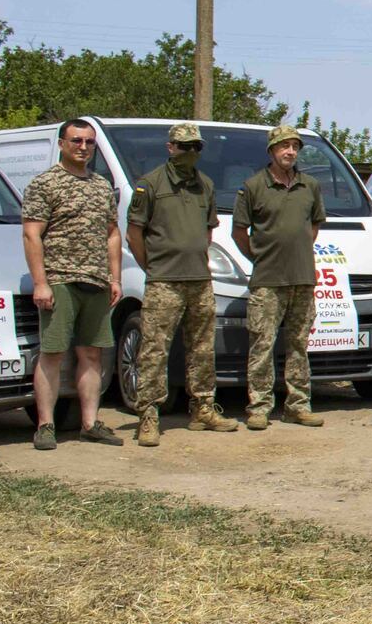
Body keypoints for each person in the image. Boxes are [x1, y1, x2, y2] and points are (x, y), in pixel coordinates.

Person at [126, 121, 239, 446]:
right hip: (164, 281)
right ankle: (148, 415)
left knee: (203, 348)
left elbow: (207, 231)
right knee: (154, 350)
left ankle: (202, 408)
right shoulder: (151, 185)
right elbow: (135, 233)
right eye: (183, 145)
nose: (190, 152)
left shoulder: (205, 185)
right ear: (170, 147)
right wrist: (153, 267)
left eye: (196, 147)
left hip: (199, 280)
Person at [21, 118, 124, 449]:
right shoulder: (44, 184)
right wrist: (41, 282)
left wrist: (115, 277)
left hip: (96, 280)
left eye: (89, 142)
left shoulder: (101, 186)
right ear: (62, 143)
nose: (83, 147)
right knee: (52, 353)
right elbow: (31, 234)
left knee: (92, 354)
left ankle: (90, 423)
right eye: (77, 141)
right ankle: (46, 425)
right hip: (60, 279)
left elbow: (111, 233)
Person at [232, 125, 328, 431]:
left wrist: (296, 251)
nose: (290, 152)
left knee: (299, 345)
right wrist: (260, 257)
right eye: (284, 146)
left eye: (294, 147)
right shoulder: (253, 186)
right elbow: (239, 232)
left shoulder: (310, 185)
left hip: (302, 278)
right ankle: (259, 407)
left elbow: (313, 227)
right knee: (262, 345)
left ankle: (297, 406)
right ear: (272, 150)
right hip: (267, 280)